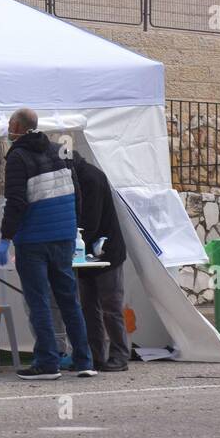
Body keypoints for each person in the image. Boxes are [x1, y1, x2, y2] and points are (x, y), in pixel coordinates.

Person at [0, 107, 95, 380]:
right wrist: (73, 227)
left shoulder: (18, 156)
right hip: (63, 237)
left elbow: (16, 202)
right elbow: (77, 192)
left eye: (10, 124)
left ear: (16, 125)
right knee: (69, 300)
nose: (8, 128)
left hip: (34, 240)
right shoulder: (59, 151)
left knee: (38, 300)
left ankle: (47, 363)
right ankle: (84, 360)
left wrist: (5, 238)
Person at [69, 154, 130, 371]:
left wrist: (70, 245)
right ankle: (95, 356)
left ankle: (120, 355)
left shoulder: (91, 179)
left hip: (107, 252)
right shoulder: (81, 176)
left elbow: (90, 222)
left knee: (110, 306)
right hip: (86, 253)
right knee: (89, 307)